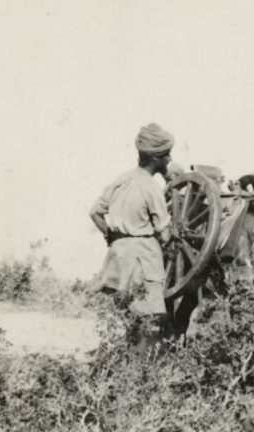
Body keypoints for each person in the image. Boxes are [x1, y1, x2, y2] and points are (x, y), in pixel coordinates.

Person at [89, 123, 175, 347]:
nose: (170, 160)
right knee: (150, 323)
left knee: (128, 319)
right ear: (156, 158)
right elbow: (165, 236)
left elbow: (95, 213)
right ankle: (143, 375)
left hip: (117, 260)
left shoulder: (121, 180)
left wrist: (112, 238)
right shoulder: (151, 188)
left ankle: (126, 369)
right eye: (167, 155)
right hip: (143, 259)